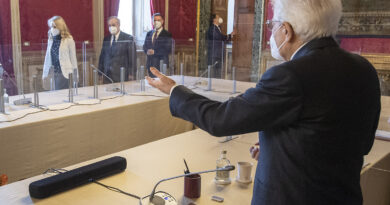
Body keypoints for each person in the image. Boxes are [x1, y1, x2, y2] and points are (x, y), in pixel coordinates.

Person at [146, 0, 381, 204]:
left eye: (272, 25)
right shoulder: (363, 69)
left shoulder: (291, 75)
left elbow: (220, 119)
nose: (271, 33)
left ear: (287, 31)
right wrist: (277, 145)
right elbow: (357, 142)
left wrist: (175, 90)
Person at [43, 16, 77, 90]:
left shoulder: (69, 40)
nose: (52, 29)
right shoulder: (50, 40)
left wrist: (75, 77)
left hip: (65, 74)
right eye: (51, 27)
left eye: (54, 27)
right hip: (54, 74)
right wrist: (44, 74)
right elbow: (47, 58)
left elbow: (73, 59)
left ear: (60, 27)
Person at [99, 16, 137, 83]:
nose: (111, 27)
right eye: (109, 25)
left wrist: (132, 74)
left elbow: (132, 58)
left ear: (118, 25)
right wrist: (100, 73)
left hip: (122, 75)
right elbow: (102, 56)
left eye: (113, 25)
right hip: (107, 75)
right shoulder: (106, 38)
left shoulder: (128, 38)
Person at [143, 13, 172, 77]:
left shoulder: (167, 34)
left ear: (162, 21)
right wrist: (147, 51)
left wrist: (154, 52)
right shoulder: (149, 33)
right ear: (152, 22)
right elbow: (144, 46)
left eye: (158, 20)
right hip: (150, 64)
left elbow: (168, 49)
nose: (156, 22)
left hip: (161, 65)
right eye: (155, 20)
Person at [207, 14, 235, 78]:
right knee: (215, 70)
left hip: (218, 53)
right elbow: (219, 38)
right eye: (218, 17)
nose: (220, 18)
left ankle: (217, 80)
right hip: (215, 53)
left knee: (218, 70)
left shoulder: (217, 28)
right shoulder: (213, 28)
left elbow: (221, 37)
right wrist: (230, 35)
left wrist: (230, 35)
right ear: (214, 20)